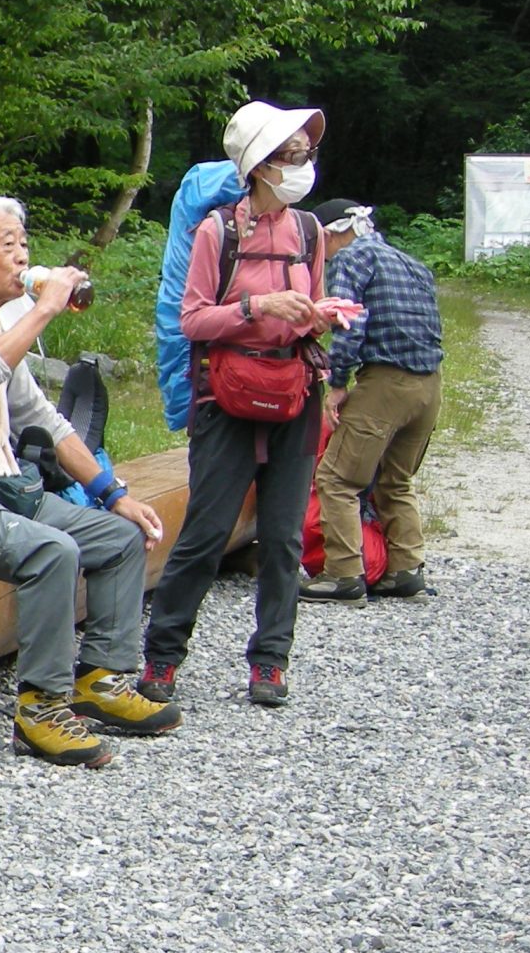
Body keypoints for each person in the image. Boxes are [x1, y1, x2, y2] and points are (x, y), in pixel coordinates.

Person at [0, 198, 178, 767]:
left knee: (119, 538)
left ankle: (101, 681)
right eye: (9, 244)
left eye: (24, 244)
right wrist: (42, 308)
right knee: (52, 551)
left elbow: (45, 419)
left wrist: (114, 494)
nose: (23, 257)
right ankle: (40, 708)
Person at [142, 101, 333, 708]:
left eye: (306, 153)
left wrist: (321, 316)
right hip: (225, 396)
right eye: (291, 155)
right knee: (205, 533)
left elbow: (313, 313)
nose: (302, 164)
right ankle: (162, 657)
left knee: (282, 539)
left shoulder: (310, 232)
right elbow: (192, 320)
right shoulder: (216, 231)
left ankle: (271, 661)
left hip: (294, 393)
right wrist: (258, 307)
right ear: (259, 165)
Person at [301, 198, 441, 603]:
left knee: (337, 478)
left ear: (331, 233)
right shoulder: (411, 263)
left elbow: (349, 323)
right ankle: (406, 570)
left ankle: (343, 574)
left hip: (386, 383)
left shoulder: (351, 258)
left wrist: (338, 383)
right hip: (431, 384)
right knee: (396, 480)